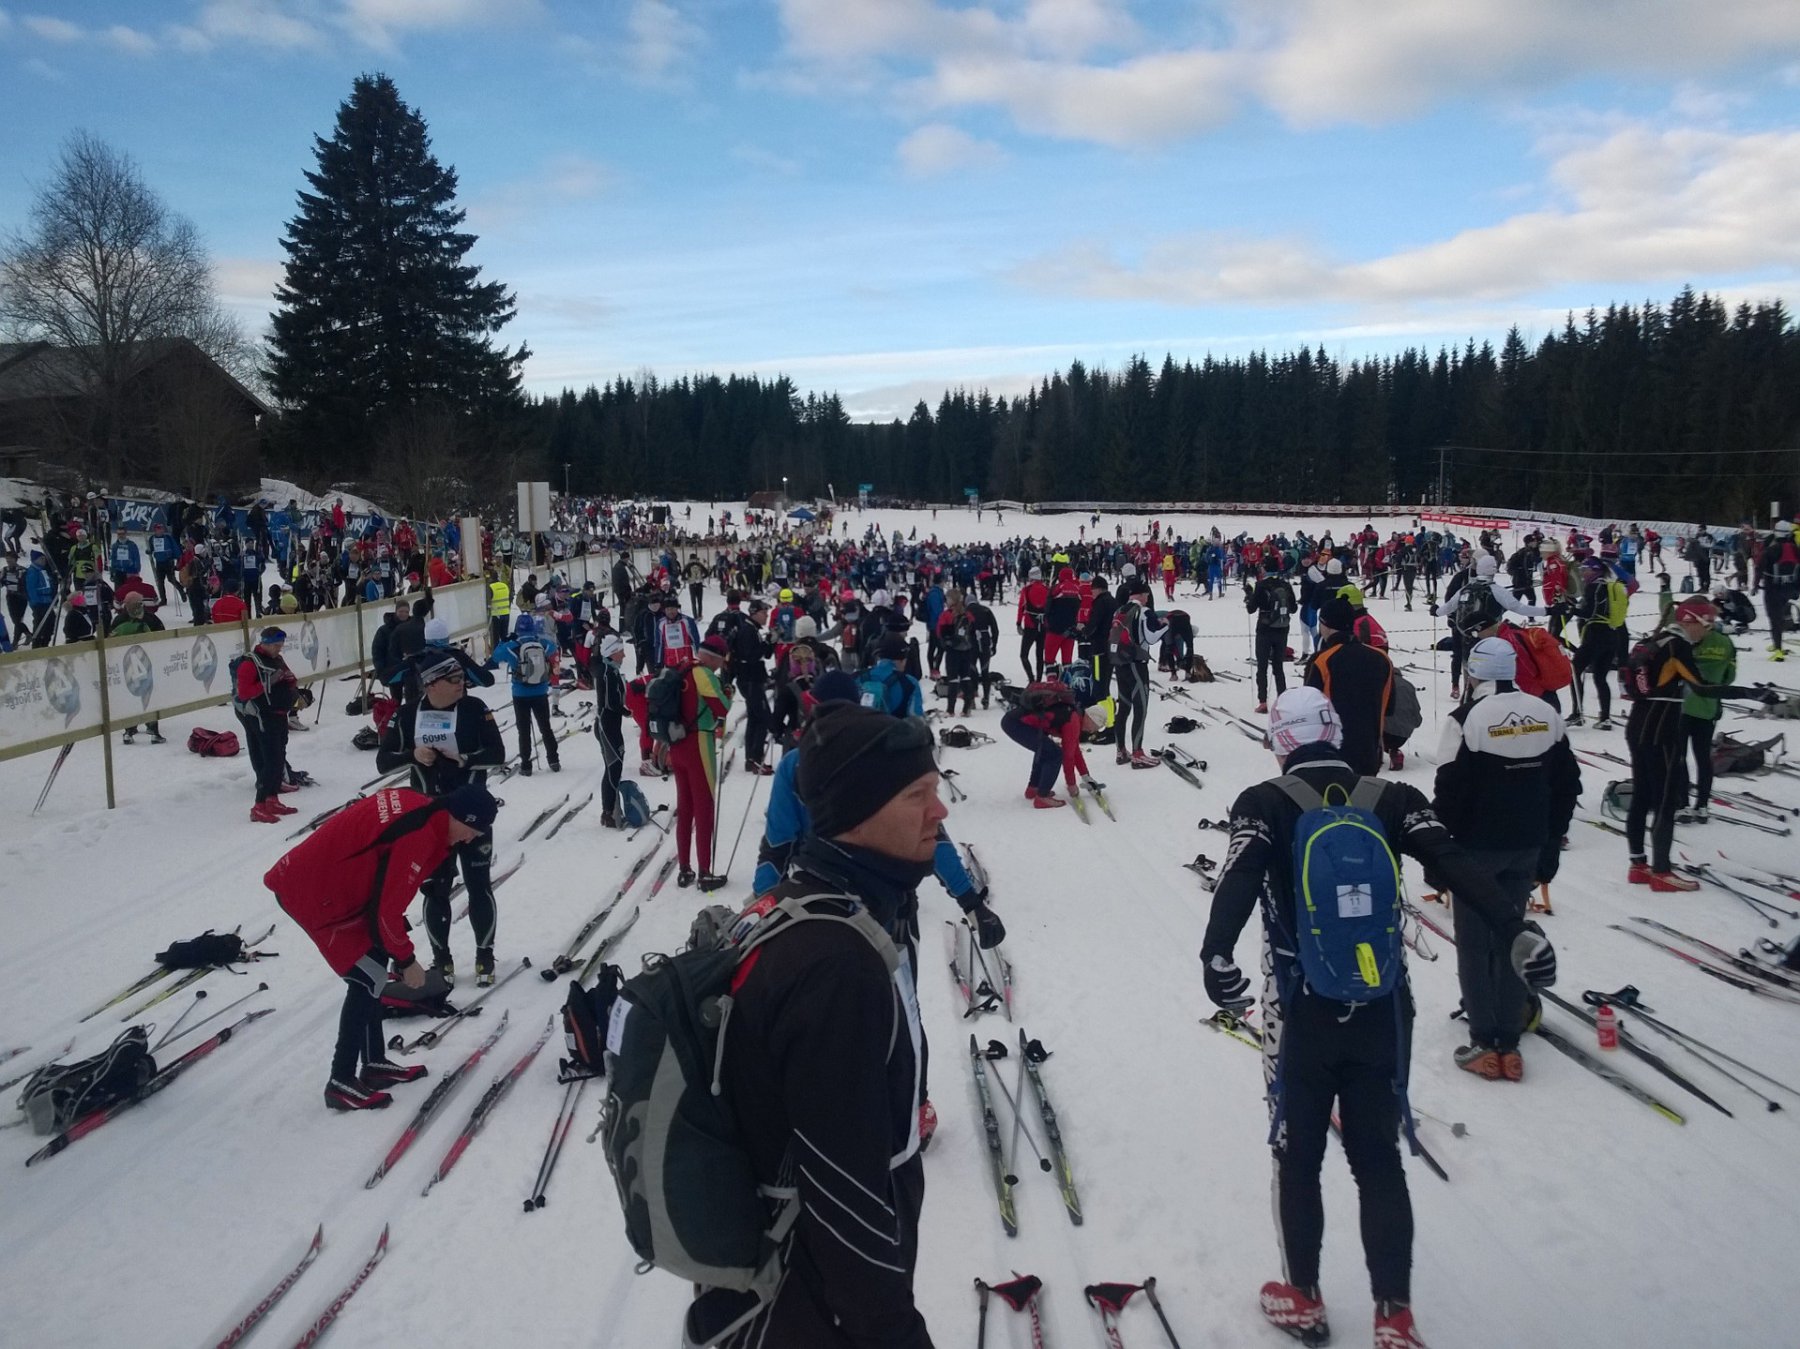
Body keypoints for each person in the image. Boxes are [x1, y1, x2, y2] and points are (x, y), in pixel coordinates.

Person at [1199, 687, 1557, 1349]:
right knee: (1379, 1160)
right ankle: (1394, 1315)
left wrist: (1215, 953)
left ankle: (1302, 1297)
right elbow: (1454, 862)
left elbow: (1240, 876)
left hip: (1299, 1009)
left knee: (1297, 1155)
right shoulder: (1392, 799)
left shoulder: (1263, 803)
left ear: (1279, 740)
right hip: (1384, 1005)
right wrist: (1515, 928)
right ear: (1334, 731)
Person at [709, 703, 943, 1348]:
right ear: (857, 814)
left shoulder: (805, 904)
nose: (940, 811)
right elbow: (843, 1196)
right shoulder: (837, 965)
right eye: (918, 794)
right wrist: (893, 1332)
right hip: (804, 1297)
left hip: (767, 1279)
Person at [266, 784, 496, 1111]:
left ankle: (373, 1063)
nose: (470, 839)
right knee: (367, 977)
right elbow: (386, 913)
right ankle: (340, 1081)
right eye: (471, 830)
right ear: (457, 816)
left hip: (328, 881)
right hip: (311, 891)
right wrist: (407, 960)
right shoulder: (419, 837)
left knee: (374, 965)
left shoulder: (424, 807)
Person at [1431, 638, 1580, 1081]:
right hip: (1527, 843)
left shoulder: (1466, 720)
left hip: (1476, 849)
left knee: (1475, 945)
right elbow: (1566, 783)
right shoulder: (1544, 713)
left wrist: (1439, 852)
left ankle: (1484, 1040)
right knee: (1513, 932)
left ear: (1473, 672)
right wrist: (1552, 841)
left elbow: (1448, 792)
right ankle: (1510, 1041)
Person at [1622, 596, 1777, 891]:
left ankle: (1638, 864)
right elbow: (1702, 688)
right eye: (1706, 626)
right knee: (1666, 799)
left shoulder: (1655, 640)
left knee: (1642, 794)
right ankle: (1662, 872)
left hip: (1638, 723)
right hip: (1662, 727)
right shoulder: (1677, 646)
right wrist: (1751, 694)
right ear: (1692, 621)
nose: (1706, 633)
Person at [375, 650, 507, 983]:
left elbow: (497, 754)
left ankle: (485, 957)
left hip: (472, 816)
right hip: (428, 818)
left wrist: (463, 759)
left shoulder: (475, 709)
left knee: (479, 885)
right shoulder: (408, 714)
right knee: (435, 889)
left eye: (463, 678)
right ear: (431, 684)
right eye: (454, 679)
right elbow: (383, 761)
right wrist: (414, 754)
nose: (463, 684)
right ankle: (442, 959)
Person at [666, 634, 733, 890]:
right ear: (714, 657)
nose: (719, 666)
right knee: (704, 807)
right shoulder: (703, 674)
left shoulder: (683, 667)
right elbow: (722, 708)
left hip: (678, 742)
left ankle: (684, 868)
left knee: (685, 808)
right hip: (699, 743)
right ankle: (705, 871)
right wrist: (727, 692)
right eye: (719, 661)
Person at [1304, 597, 1393, 776]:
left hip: (1330, 752)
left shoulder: (1322, 661)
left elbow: (1308, 709)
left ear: (1325, 625)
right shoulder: (1382, 659)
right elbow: (1389, 707)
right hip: (1370, 752)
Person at [233, 627, 301, 823]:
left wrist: (290, 682)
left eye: (281, 645)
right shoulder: (250, 663)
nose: (279, 649)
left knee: (279, 757)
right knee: (270, 760)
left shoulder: (276, 659)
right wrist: (269, 683)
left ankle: (272, 798)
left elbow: (290, 677)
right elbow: (245, 692)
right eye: (276, 646)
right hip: (262, 717)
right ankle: (259, 804)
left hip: (279, 714)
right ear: (266, 643)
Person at [493, 613, 560, 775]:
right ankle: (554, 760)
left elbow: (496, 656)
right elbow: (554, 647)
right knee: (546, 727)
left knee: (523, 730)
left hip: (520, 693)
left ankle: (526, 765)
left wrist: (505, 640)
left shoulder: (512, 646)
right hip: (541, 691)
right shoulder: (542, 644)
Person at [1109, 577, 1164, 768]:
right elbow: (1150, 637)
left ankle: (1121, 750)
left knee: (1123, 708)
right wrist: (1164, 625)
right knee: (1140, 708)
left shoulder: (1119, 610)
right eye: (1147, 595)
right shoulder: (1143, 611)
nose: (1148, 598)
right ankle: (1138, 753)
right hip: (1136, 663)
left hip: (1120, 663)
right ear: (1141, 595)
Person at [1567, 557, 1628, 728]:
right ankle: (1605, 718)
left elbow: (1588, 612)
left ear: (1595, 570)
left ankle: (1577, 713)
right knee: (1600, 677)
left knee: (1574, 670)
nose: (1583, 573)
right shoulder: (1610, 586)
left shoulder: (1594, 587)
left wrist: (1571, 609)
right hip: (1612, 634)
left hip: (1595, 634)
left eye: (1585, 570)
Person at [111, 594, 166, 744]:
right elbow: (163, 635)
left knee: (134, 696)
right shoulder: (148, 619)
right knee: (147, 695)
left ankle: (132, 729)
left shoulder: (120, 620)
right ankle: (149, 729)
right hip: (143, 663)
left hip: (131, 664)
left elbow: (110, 641)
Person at [1245, 560, 1296, 712]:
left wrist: (1249, 594)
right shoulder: (1286, 585)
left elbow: (1251, 609)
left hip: (1265, 628)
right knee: (1278, 666)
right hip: (1282, 628)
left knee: (1262, 665)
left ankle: (1263, 701)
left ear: (1264, 570)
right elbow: (1293, 608)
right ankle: (1283, 700)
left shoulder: (1261, 585)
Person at [594, 634, 630, 827]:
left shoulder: (612, 671)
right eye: (621, 651)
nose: (624, 655)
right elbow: (610, 702)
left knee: (614, 766)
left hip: (611, 724)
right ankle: (608, 812)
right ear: (612, 653)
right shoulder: (607, 672)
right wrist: (626, 711)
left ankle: (612, 809)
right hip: (606, 725)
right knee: (613, 766)